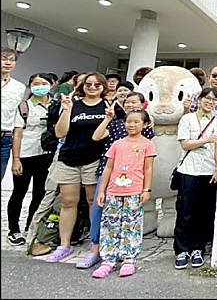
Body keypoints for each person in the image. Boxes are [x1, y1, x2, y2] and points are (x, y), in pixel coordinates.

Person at [81, 92, 155, 269]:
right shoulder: (116, 132)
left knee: (131, 222)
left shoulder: (147, 141)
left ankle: (128, 257)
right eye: (127, 102)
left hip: (134, 187)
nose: (132, 124)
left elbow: (148, 167)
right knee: (108, 220)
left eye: (135, 103)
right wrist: (102, 190)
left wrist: (147, 189)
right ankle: (105, 255)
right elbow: (99, 145)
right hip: (113, 185)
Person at [45, 72, 107, 263]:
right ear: (82, 85)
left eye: (97, 84)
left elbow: (115, 130)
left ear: (103, 87)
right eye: (89, 84)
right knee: (68, 202)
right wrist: (66, 110)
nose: (93, 87)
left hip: (94, 160)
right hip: (69, 158)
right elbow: (60, 132)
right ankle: (64, 244)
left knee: (93, 202)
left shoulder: (108, 106)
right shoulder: (74, 104)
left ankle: (94, 243)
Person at [173, 88, 217, 270]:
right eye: (207, 98)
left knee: (204, 212)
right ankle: (181, 250)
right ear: (200, 99)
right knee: (185, 211)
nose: (210, 102)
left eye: (214, 100)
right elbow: (185, 143)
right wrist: (206, 140)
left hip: (208, 171)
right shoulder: (187, 119)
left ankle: (198, 248)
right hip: (188, 170)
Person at [7, 73, 55, 246]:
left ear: (51, 85)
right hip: (26, 155)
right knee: (19, 192)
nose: (40, 86)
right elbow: (17, 134)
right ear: (30, 86)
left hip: (46, 155)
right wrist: (16, 159)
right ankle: (13, 230)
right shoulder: (24, 107)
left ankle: (30, 226)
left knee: (40, 193)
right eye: (36, 83)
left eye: (44, 83)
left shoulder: (55, 105)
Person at [1, 47, 26, 181]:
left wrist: (16, 157)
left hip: (4, 138)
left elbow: (17, 120)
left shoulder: (19, 87)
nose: (8, 63)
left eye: (12, 60)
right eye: (4, 59)